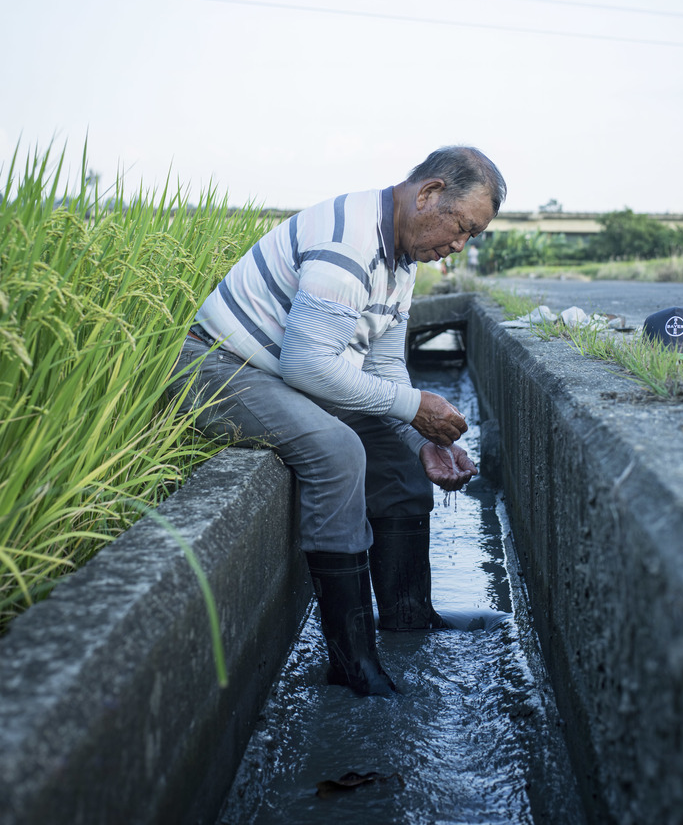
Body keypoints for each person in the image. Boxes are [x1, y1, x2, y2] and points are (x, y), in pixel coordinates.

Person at [167, 145, 507, 697]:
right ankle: (352, 663)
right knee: (338, 451)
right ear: (429, 194)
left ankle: (407, 613)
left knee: (398, 450)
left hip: (288, 371)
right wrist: (415, 408)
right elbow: (308, 366)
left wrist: (414, 430)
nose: (458, 246)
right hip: (222, 367)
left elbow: (383, 364)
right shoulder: (347, 242)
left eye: (472, 236)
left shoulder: (401, 258)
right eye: (462, 227)